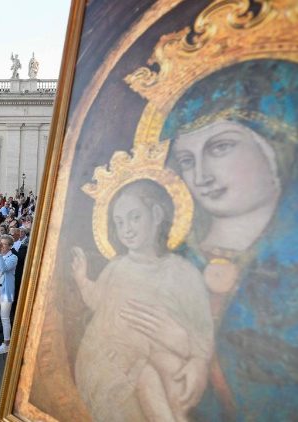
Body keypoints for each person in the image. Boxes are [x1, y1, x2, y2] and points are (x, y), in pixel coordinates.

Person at [121, 60, 298, 420]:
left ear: (272, 148)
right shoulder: (169, 259)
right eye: (186, 160)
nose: (200, 175)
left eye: (220, 148)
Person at [71, 180, 213, 422]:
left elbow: (201, 328)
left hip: (160, 361)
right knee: (146, 375)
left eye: (135, 217)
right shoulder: (117, 268)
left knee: (165, 375)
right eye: (119, 222)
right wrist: (82, 279)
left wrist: (198, 360)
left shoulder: (182, 273)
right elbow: (98, 301)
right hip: (107, 362)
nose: (127, 228)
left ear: (156, 215)